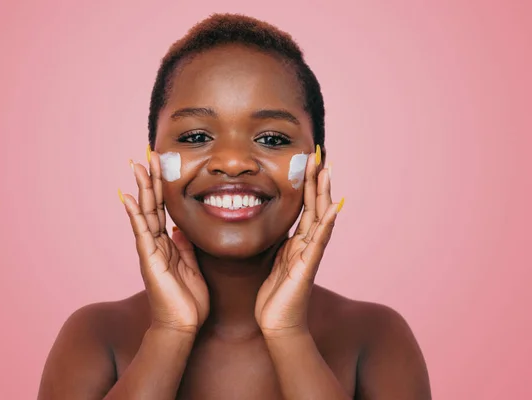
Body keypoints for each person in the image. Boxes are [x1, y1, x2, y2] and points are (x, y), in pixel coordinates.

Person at [38, 13, 431, 400]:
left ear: (317, 163)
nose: (232, 161)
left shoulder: (376, 338)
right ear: (154, 159)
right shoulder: (95, 336)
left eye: (273, 139)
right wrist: (169, 332)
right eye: (195, 135)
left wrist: (288, 333)